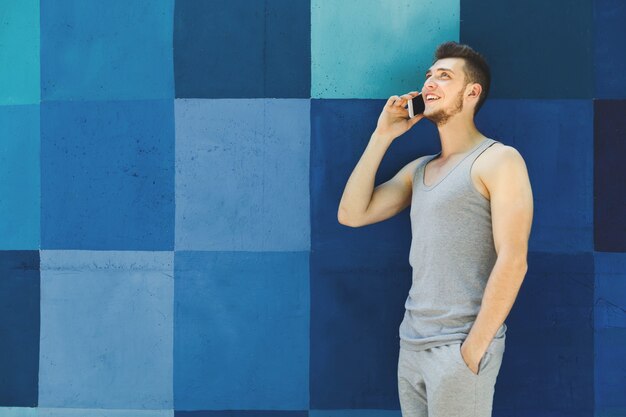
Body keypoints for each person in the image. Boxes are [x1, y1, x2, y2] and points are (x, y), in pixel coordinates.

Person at [337, 41, 534, 417]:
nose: (430, 83)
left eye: (444, 77)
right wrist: (383, 135)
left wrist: (472, 349)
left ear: (472, 92)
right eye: (429, 76)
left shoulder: (499, 160)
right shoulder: (419, 170)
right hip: (412, 343)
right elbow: (352, 214)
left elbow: (514, 259)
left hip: (459, 346)